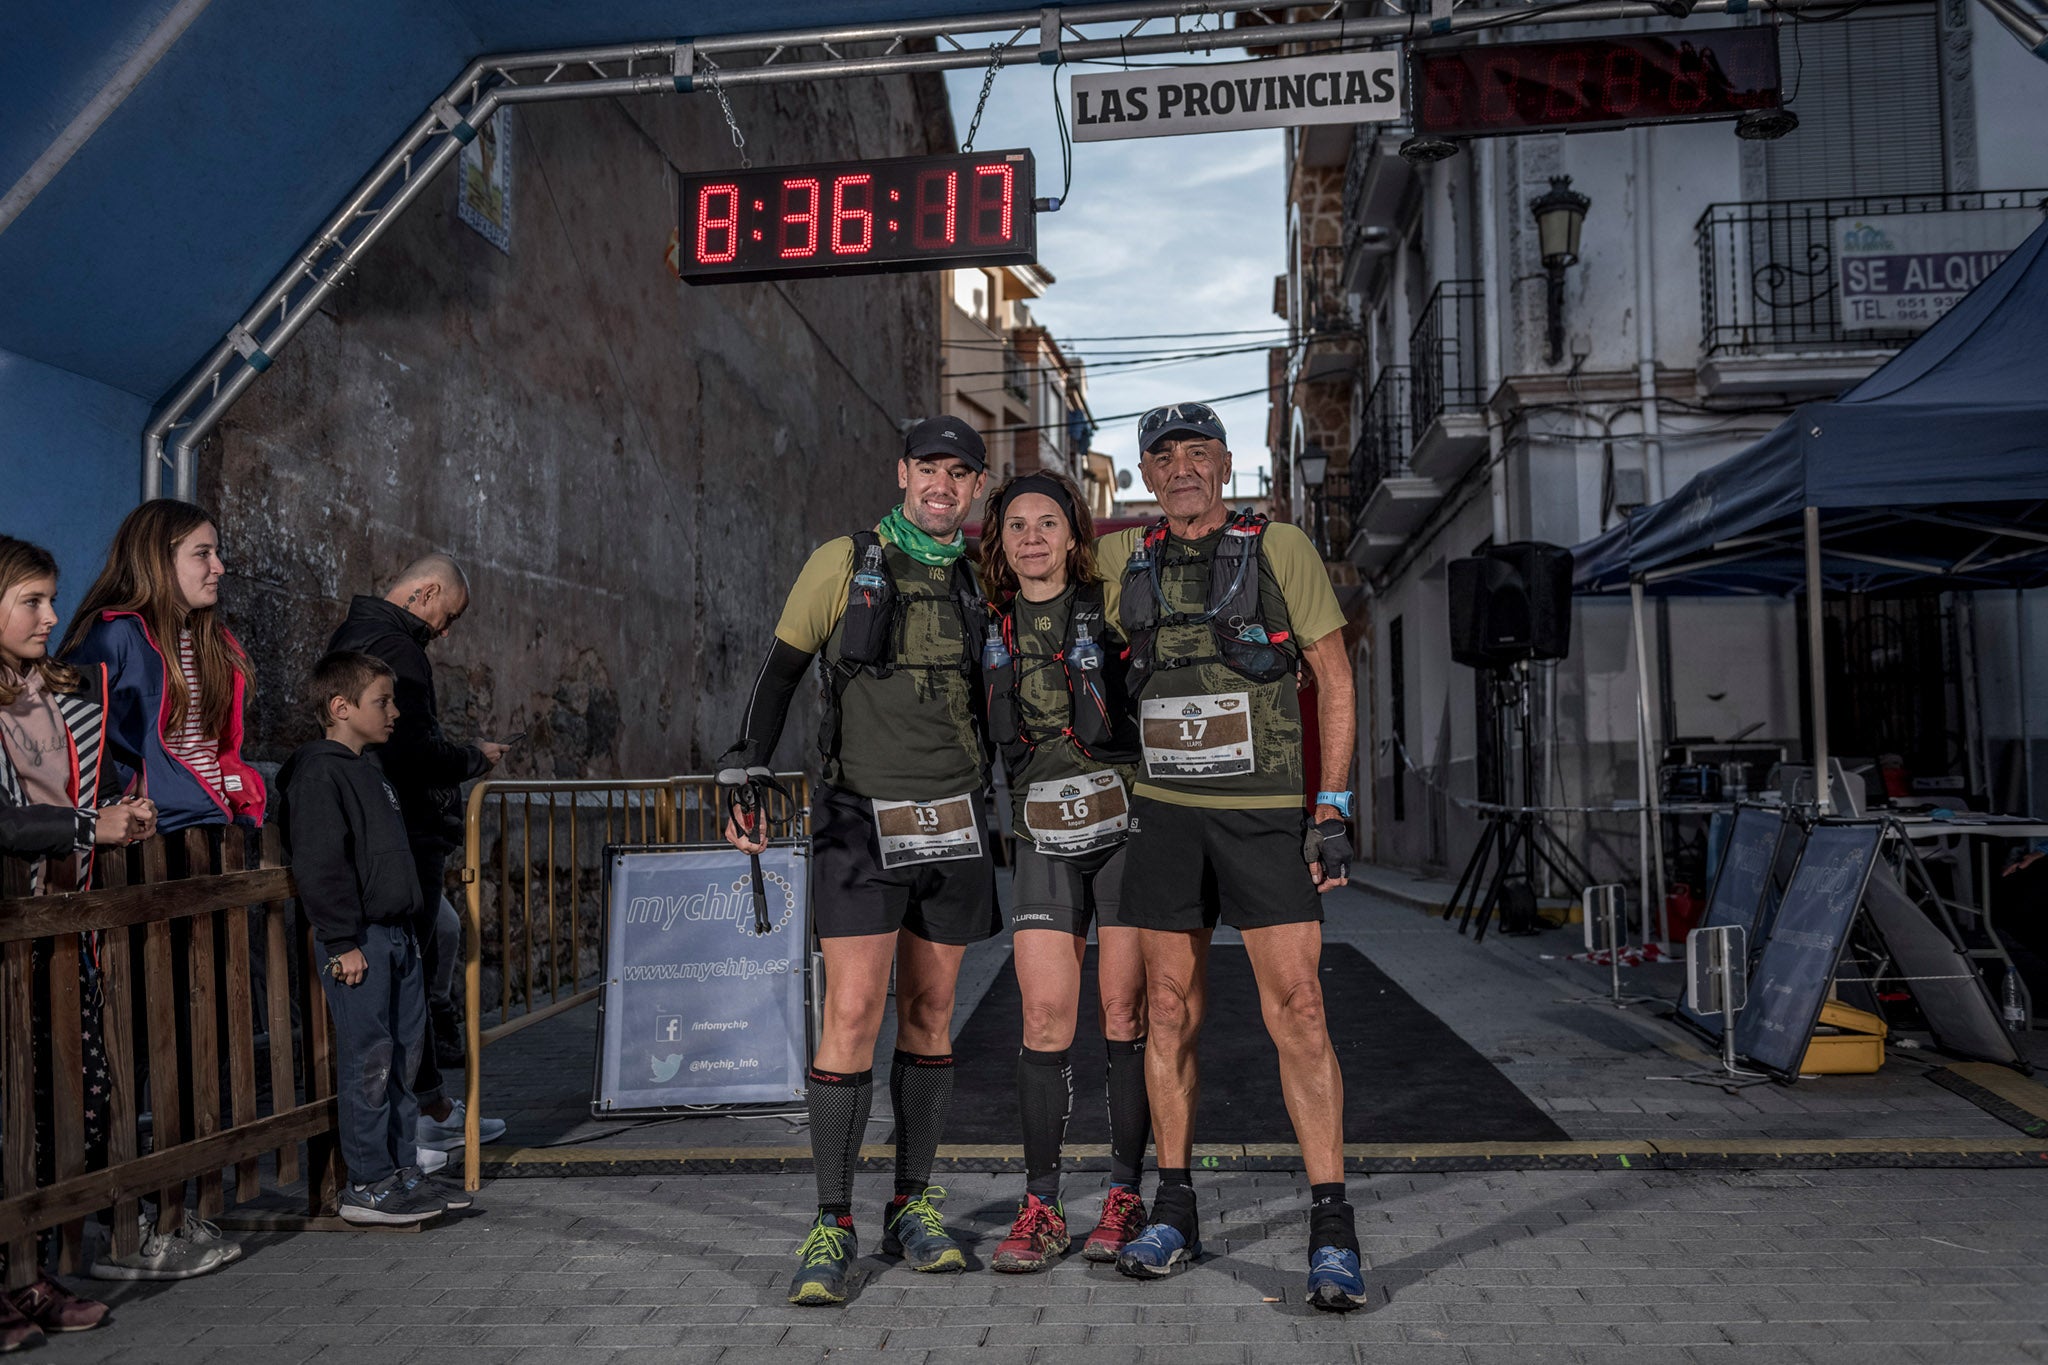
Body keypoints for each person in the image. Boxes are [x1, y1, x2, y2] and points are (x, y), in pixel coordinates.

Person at [720, 415, 997, 1306]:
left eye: (960, 472)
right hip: (857, 817)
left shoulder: (986, 575)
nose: (942, 485)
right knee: (850, 1010)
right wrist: (745, 766)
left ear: (978, 487)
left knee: (931, 1011)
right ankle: (831, 1221)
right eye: (929, 468)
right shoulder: (843, 559)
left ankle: (911, 1206)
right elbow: (781, 669)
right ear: (902, 472)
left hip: (954, 822)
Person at [1094, 403, 1365, 1311]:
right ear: (1144, 473)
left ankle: (1331, 1226)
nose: (1181, 470)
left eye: (1197, 454)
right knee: (1166, 1011)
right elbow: (1032, 563)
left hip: (1262, 820)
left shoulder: (1279, 548)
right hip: (1167, 819)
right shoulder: (1122, 558)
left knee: (1301, 1006)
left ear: (1224, 463)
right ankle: (1174, 1209)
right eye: (1163, 457)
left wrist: (1332, 806)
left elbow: (1332, 673)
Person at [975, 471, 1152, 1272]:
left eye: (1050, 522)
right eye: (1019, 525)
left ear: (1075, 536)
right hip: (1041, 838)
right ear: (1001, 543)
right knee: (1044, 1017)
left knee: (1123, 1011)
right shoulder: (986, 624)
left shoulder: (1109, 607)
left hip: (1124, 829)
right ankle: (1042, 1204)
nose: (1035, 536)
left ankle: (1125, 1192)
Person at [0, 536, 165, 1344]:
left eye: (51, 598)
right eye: (31, 599)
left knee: (63, 1108)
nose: (52, 616)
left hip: (62, 928)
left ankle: (25, 1274)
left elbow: (79, 793)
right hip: (7, 930)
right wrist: (79, 822)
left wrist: (116, 817)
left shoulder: (55, 694)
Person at [324, 555, 508, 1165]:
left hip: (395, 829)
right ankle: (412, 1125)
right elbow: (411, 748)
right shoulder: (394, 650)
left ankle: (425, 1106)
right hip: (399, 833)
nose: (446, 631)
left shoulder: (364, 635)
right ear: (424, 592)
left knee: (436, 945)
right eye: (446, 616)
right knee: (405, 976)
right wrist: (472, 758)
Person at [275, 651, 469, 1226]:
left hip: (398, 939)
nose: (395, 712)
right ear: (341, 707)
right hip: (358, 943)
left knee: (405, 1060)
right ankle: (369, 1184)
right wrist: (340, 941)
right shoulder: (317, 773)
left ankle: (403, 1169)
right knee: (371, 1063)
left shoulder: (371, 770)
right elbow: (320, 864)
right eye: (382, 701)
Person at [60, 500, 265, 835]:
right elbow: (71, 734)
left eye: (217, 552)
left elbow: (218, 746)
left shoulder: (215, 642)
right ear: (159, 560)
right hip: (152, 832)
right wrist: (113, 802)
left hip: (217, 821)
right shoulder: (115, 634)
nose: (219, 567)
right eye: (203, 553)